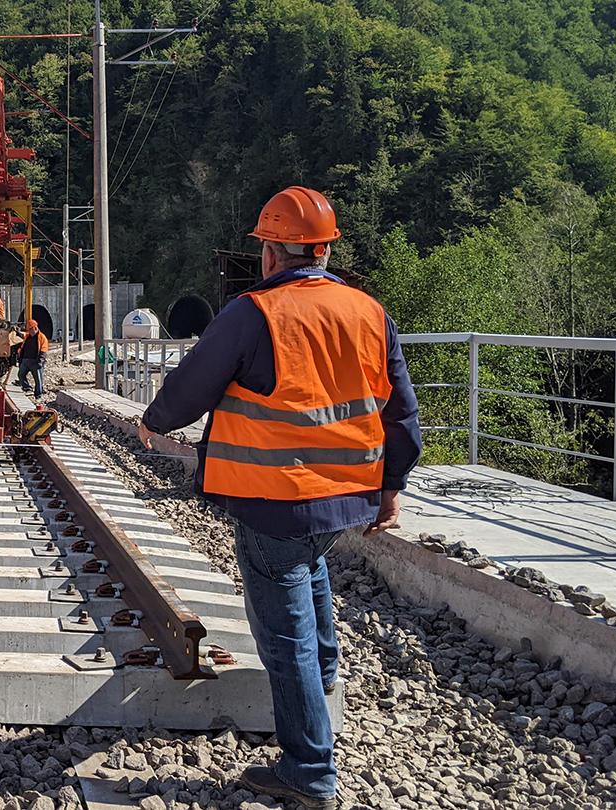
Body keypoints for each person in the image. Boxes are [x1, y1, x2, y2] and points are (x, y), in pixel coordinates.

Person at [138, 186, 421, 810]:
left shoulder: (253, 313)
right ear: (322, 248)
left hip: (275, 500)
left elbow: (192, 386)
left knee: (284, 634)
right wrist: (391, 486)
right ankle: (322, 720)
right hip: (345, 499)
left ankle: (310, 769)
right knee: (314, 604)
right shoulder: (370, 312)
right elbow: (402, 414)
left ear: (271, 252)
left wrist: (156, 420)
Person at [15, 319, 48, 398]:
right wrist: (17, 332)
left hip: (35, 361)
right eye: (28, 330)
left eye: (30, 329)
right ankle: (27, 388)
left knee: (38, 380)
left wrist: (40, 362)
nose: (29, 331)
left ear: (35, 328)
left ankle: (38, 395)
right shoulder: (27, 336)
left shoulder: (42, 337)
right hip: (26, 360)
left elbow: (43, 351)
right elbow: (23, 336)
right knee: (20, 375)